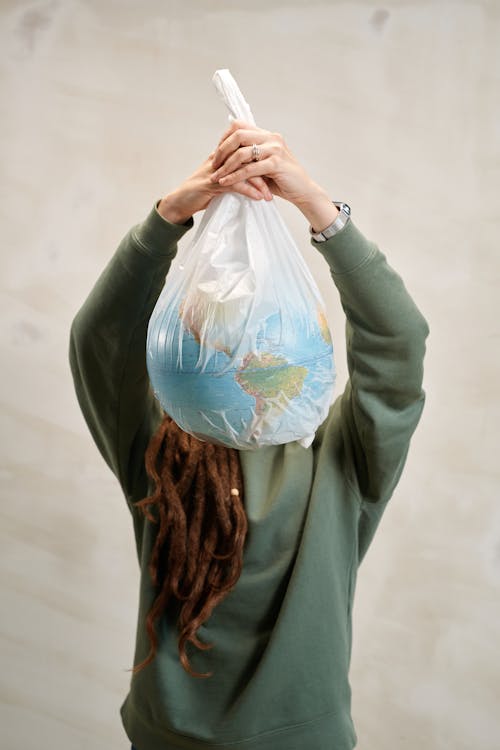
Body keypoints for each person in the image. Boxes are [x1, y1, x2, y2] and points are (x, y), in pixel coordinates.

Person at [69, 119, 430, 750]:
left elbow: (102, 342)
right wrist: (319, 213)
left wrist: (170, 221)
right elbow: (395, 346)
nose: (248, 345)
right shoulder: (339, 470)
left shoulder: (157, 455)